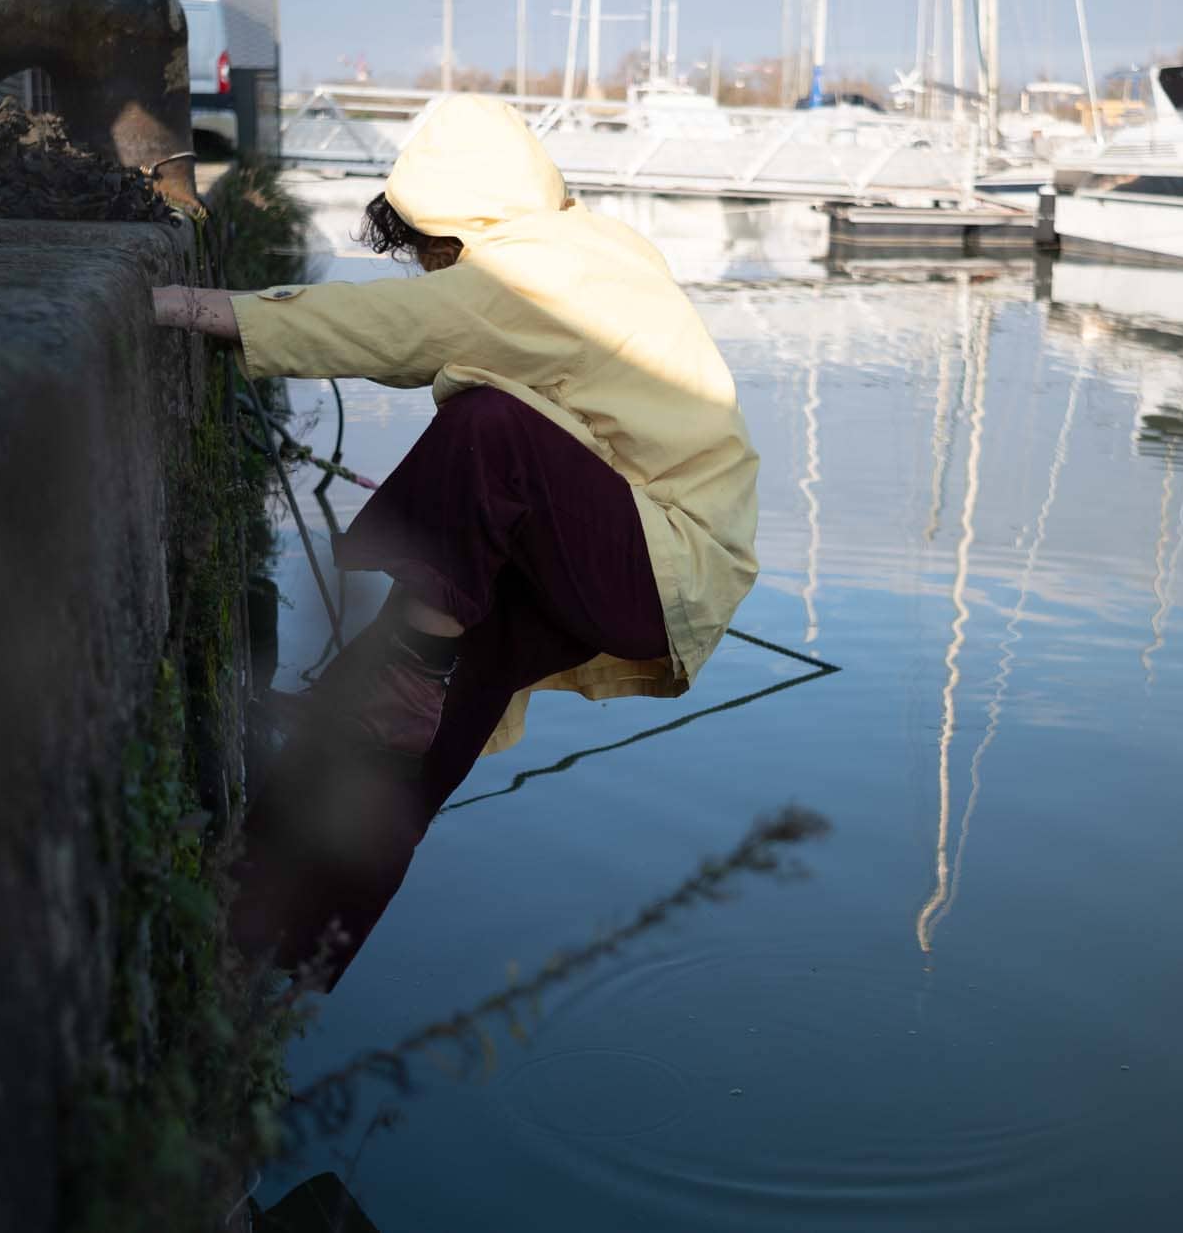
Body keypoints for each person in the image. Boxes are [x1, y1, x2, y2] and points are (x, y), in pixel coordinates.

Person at [150, 95, 760, 988]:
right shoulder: (583, 247)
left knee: (488, 430)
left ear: (459, 220)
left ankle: (406, 674)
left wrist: (202, 310)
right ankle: (260, 956)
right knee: (388, 743)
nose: (428, 268)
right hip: (611, 546)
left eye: (430, 247)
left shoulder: (539, 274)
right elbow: (432, 335)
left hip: (660, 555)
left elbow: (393, 330)